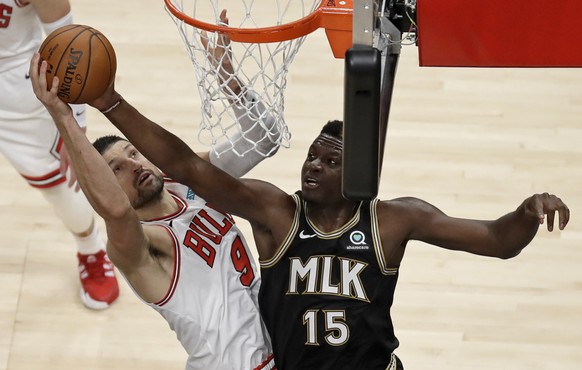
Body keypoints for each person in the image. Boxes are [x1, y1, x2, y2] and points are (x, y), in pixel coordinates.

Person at [31, 28, 570, 370]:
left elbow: (498, 241)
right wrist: (100, 104)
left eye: (329, 160)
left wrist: (524, 213)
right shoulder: (268, 214)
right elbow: (171, 172)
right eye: (311, 156)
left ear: (357, 172)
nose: (312, 165)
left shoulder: (392, 221)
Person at [28, 15, 279, 369]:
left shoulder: (190, 184)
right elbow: (116, 211)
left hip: (281, 347)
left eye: (132, 153)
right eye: (117, 169)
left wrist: (229, 79)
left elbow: (263, 138)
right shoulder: (142, 245)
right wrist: (63, 116)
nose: (135, 166)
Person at [0, 0, 119, 309]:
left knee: (60, 185)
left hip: (14, 97)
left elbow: (68, 41)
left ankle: (91, 250)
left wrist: (75, 128)